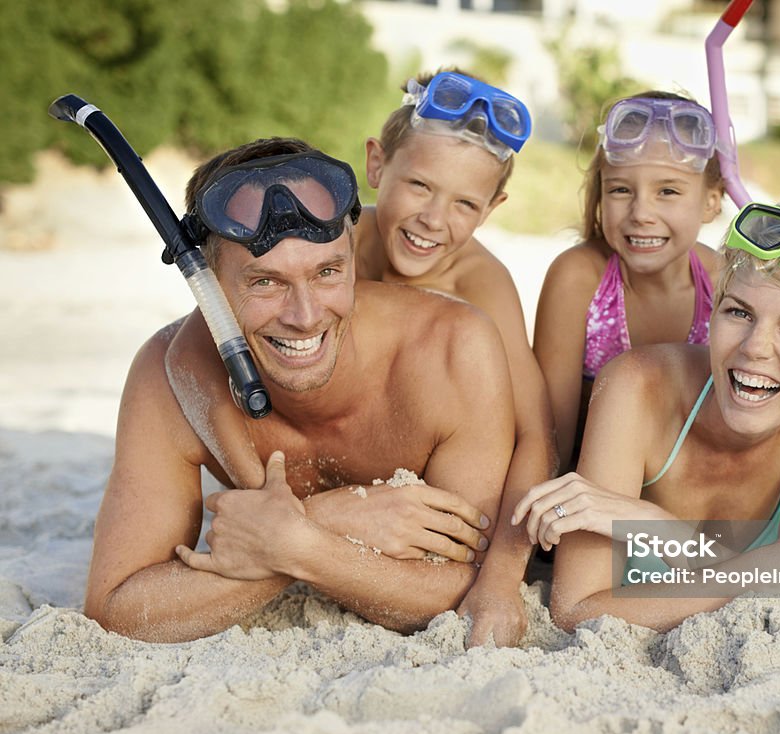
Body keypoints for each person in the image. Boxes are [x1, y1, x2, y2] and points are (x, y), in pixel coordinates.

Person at [84, 137, 516, 644]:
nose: (305, 315)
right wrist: (319, 525)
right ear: (208, 283)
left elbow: (466, 589)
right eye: (265, 282)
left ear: (354, 255)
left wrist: (291, 542)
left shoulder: (452, 350)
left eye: (328, 272)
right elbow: (119, 608)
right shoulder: (166, 372)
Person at [514, 201, 780, 633]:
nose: (755, 347)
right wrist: (776, 564)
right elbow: (575, 609)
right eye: (739, 312)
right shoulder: (636, 387)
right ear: (714, 312)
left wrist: (665, 531)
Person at [356, 69, 556, 646]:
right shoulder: (336, 247)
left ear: (492, 208)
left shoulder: (482, 285)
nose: (433, 220)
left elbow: (534, 435)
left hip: (437, 496)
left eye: (465, 203)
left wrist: (498, 583)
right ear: (377, 165)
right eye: (419, 185)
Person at [533, 92, 725, 472]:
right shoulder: (577, 278)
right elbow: (550, 438)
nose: (641, 213)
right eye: (621, 190)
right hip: (591, 485)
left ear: (711, 202)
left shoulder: (722, 282)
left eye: (667, 191)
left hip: (688, 492)